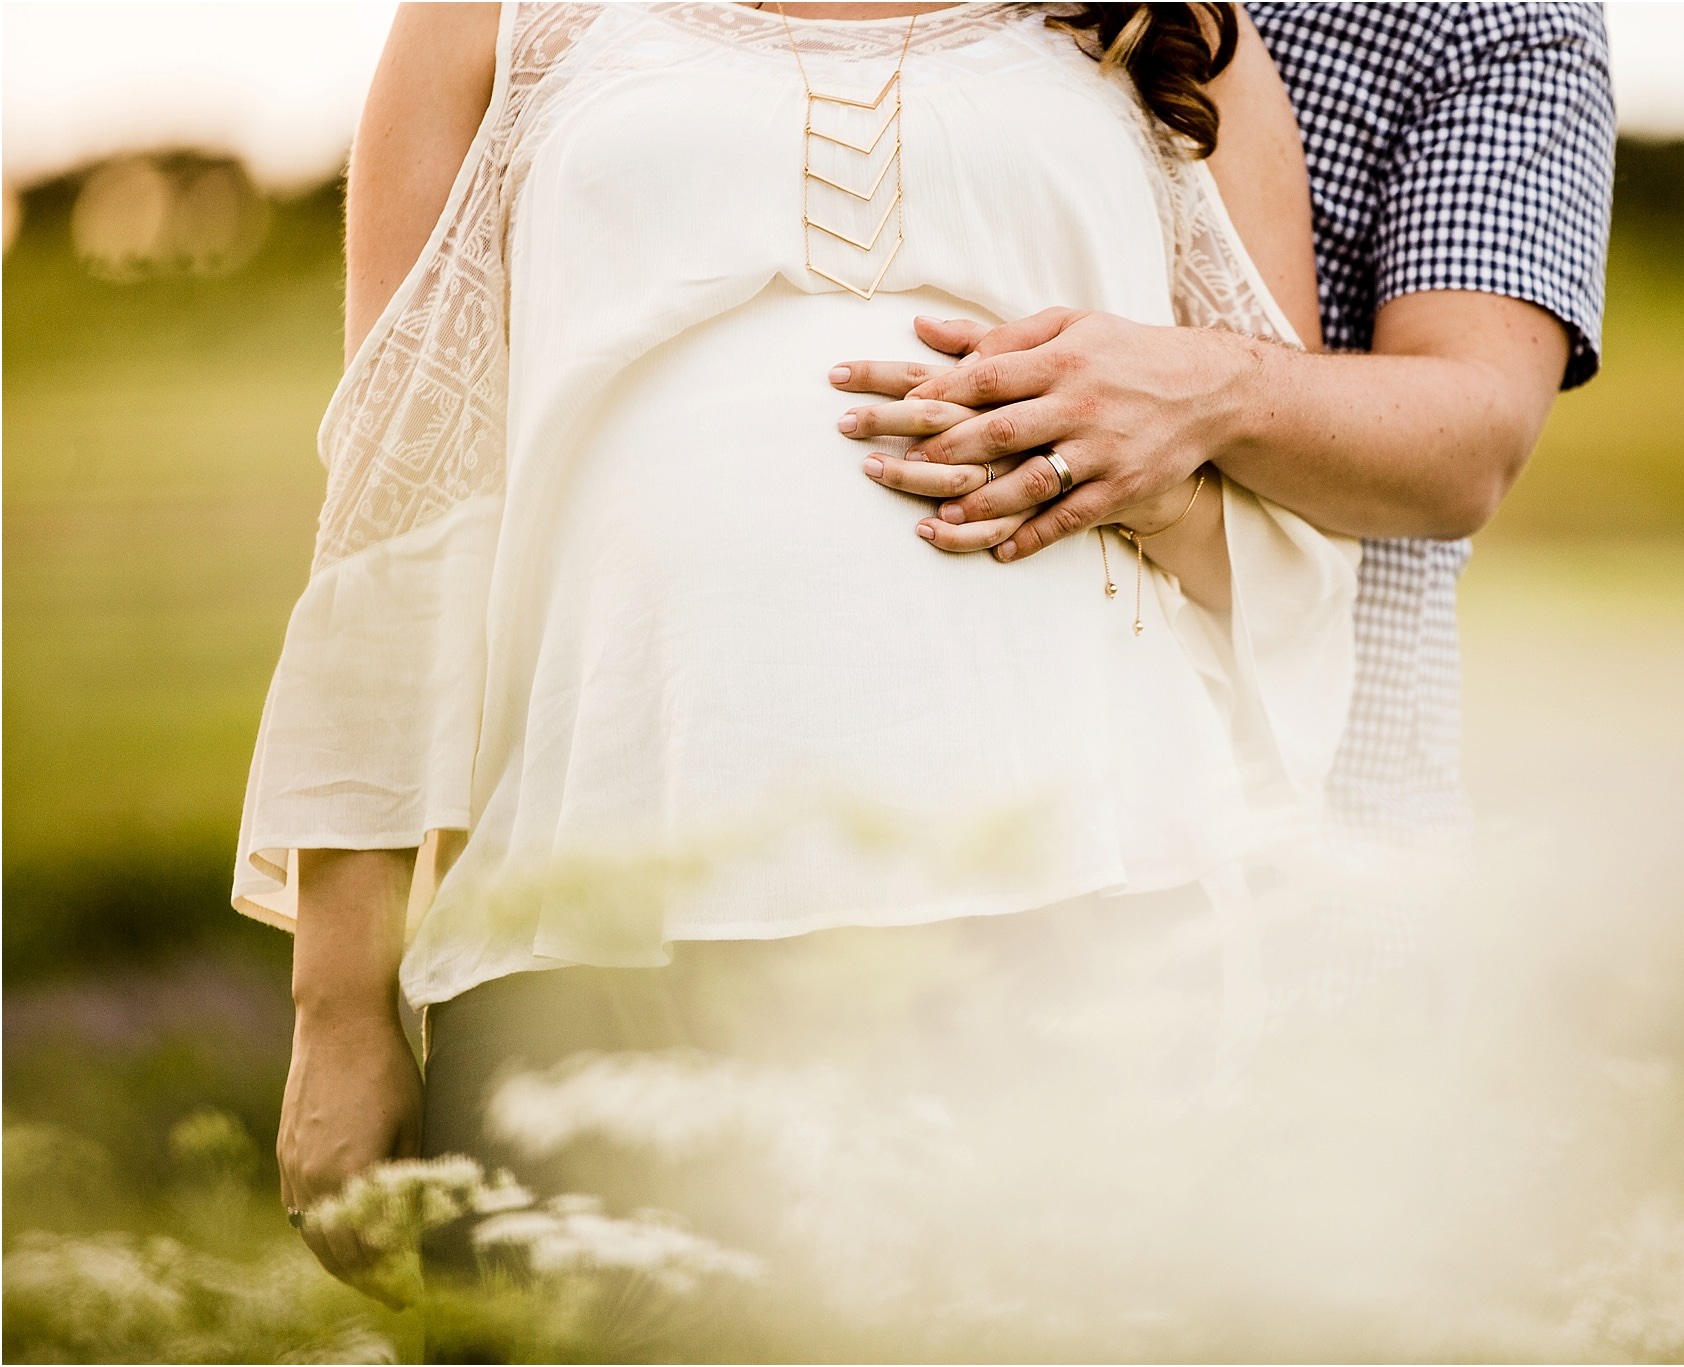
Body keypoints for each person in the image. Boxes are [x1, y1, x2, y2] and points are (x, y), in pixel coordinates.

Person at [239, 0, 1366, 1304]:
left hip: (1077, 885)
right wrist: (337, 1000)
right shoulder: (492, 16)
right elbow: (398, 515)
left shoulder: (1172, 32)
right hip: (602, 890)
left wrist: (1146, 489)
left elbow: (1288, 526)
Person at [835, 2, 1617, 838]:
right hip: (886, 730)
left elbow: (1472, 440)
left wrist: (1209, 386)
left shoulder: (1491, 18)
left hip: (1301, 794)